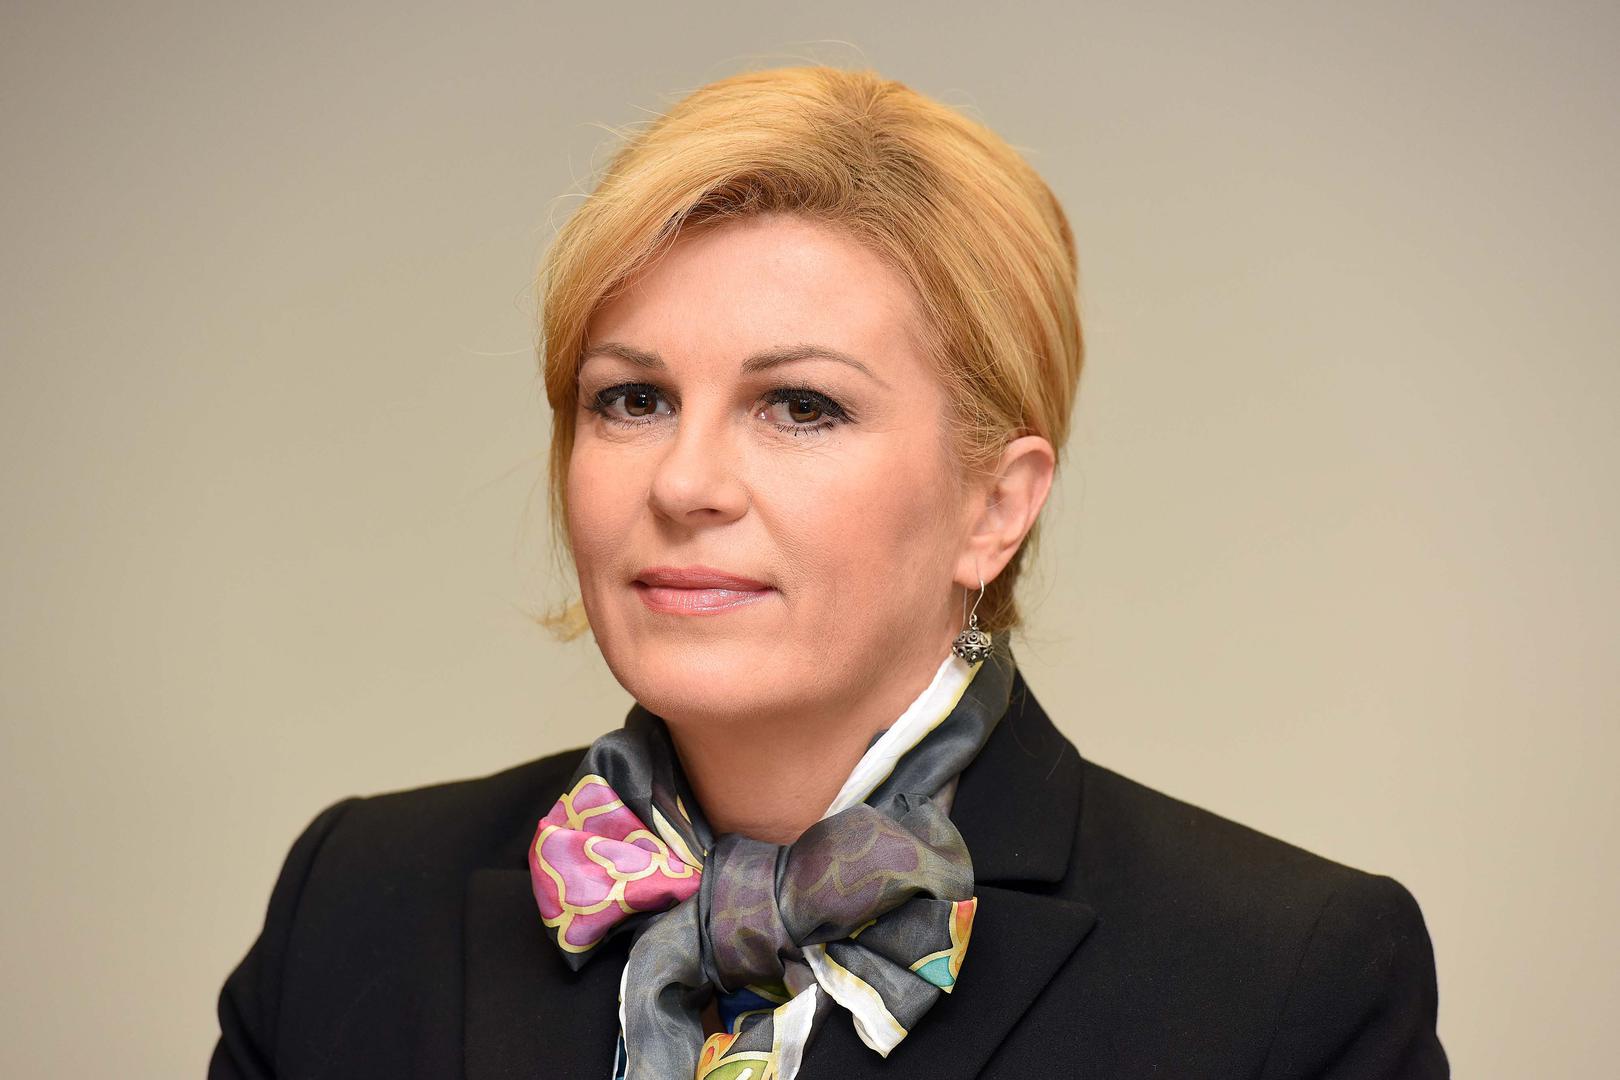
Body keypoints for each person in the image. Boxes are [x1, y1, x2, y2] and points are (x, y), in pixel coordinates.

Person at [209, 65, 1447, 1080]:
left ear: (994, 505)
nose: (686, 483)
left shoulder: (1284, 981)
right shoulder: (356, 902)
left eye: (800, 406)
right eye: (632, 398)